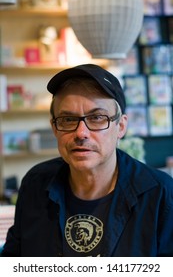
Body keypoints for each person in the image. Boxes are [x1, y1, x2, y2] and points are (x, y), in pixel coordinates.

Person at [1, 64, 173, 257]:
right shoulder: (35, 184)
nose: (81, 133)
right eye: (67, 119)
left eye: (97, 117)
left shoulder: (160, 194)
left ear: (121, 126)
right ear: (55, 128)